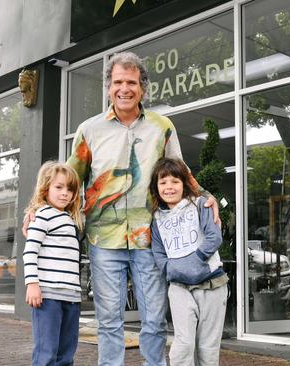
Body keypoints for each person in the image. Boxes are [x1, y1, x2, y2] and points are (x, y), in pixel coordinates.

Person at [23, 51, 219, 366]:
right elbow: (69, 178)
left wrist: (203, 195)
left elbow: (177, 170)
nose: (124, 89)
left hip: (149, 240)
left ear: (142, 87)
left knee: (154, 319)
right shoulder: (90, 129)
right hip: (103, 240)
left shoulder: (161, 126)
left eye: (131, 82)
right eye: (117, 82)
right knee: (109, 321)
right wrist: (36, 206)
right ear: (108, 87)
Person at [149, 158, 228, 366]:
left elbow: (214, 237)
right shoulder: (157, 218)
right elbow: (158, 250)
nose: (169, 187)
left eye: (175, 181)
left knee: (207, 348)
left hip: (211, 286)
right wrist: (169, 267)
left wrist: (197, 259)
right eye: (163, 182)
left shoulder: (200, 204)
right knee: (183, 346)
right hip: (179, 288)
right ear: (156, 188)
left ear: (184, 183)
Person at [23, 161, 84, 366]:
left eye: (70, 189)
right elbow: (30, 251)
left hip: (71, 297)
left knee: (66, 354)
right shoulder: (42, 215)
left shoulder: (69, 219)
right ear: (45, 188)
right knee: (46, 353)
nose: (65, 193)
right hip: (48, 296)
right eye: (59, 187)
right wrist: (32, 284)